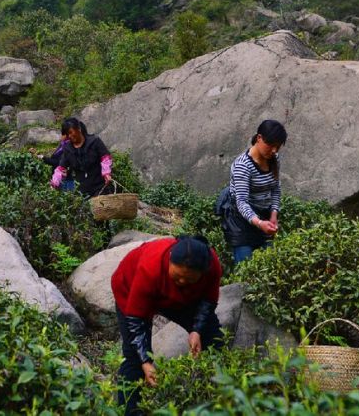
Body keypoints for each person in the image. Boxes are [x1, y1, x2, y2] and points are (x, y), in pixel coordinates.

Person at [112, 235, 224, 415]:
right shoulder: (150, 266)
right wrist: (145, 362)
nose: (182, 282)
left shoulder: (212, 266)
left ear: (203, 272)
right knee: (134, 359)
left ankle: (217, 397)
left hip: (181, 299)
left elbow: (208, 301)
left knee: (213, 338)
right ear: (170, 258)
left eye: (189, 279)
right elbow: (135, 320)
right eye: (178, 276)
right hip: (130, 289)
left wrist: (197, 330)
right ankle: (131, 411)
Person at [222, 119, 287, 263]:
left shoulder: (274, 159)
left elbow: (275, 188)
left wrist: (274, 213)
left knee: (270, 265)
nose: (274, 150)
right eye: (270, 145)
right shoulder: (242, 166)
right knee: (246, 269)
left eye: (278, 147)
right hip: (241, 223)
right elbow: (242, 202)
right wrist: (258, 223)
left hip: (264, 217)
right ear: (259, 138)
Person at [48, 117, 112, 198]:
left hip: (99, 187)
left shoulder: (94, 141)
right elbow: (61, 168)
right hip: (82, 191)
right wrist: (54, 183)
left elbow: (105, 158)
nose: (70, 136)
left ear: (79, 129)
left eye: (71, 132)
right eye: (67, 134)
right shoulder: (68, 149)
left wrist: (106, 173)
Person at [34, 120, 76, 192]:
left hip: (65, 179)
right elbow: (54, 158)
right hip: (58, 176)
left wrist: (43, 158)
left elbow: (58, 162)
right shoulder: (62, 145)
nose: (61, 136)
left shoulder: (68, 147)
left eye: (62, 134)